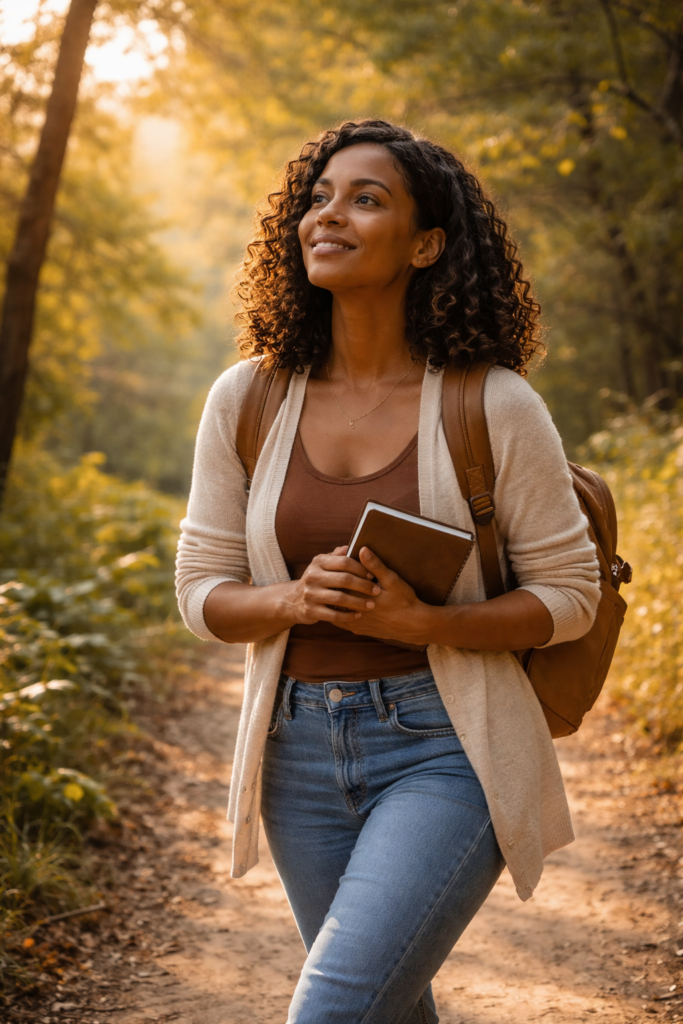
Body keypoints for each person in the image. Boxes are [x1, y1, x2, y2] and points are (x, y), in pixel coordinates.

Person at [175, 119, 600, 1024]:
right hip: (294, 753)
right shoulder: (246, 397)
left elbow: (568, 597)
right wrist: (290, 597)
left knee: (332, 1011)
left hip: (448, 745)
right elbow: (199, 589)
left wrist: (426, 625)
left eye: (366, 200)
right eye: (318, 198)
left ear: (426, 244)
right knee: (386, 1008)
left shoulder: (495, 402)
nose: (328, 216)